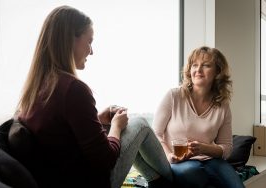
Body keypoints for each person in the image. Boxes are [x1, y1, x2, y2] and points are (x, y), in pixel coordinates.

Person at [15, 5, 174, 188]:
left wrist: (97, 119)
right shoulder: (73, 89)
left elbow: (60, 132)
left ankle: (161, 183)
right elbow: (105, 160)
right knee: (140, 125)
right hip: (89, 182)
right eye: (89, 41)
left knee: (135, 136)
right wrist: (115, 126)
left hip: (55, 177)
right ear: (70, 40)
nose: (91, 51)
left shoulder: (35, 87)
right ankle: (175, 180)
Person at [152, 46, 245, 188]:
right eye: (194, 65)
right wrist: (170, 156)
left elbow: (226, 148)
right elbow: (156, 134)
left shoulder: (223, 105)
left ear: (217, 72)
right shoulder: (174, 96)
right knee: (193, 174)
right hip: (180, 161)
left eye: (206, 65)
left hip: (212, 160)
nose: (198, 70)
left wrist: (203, 149)